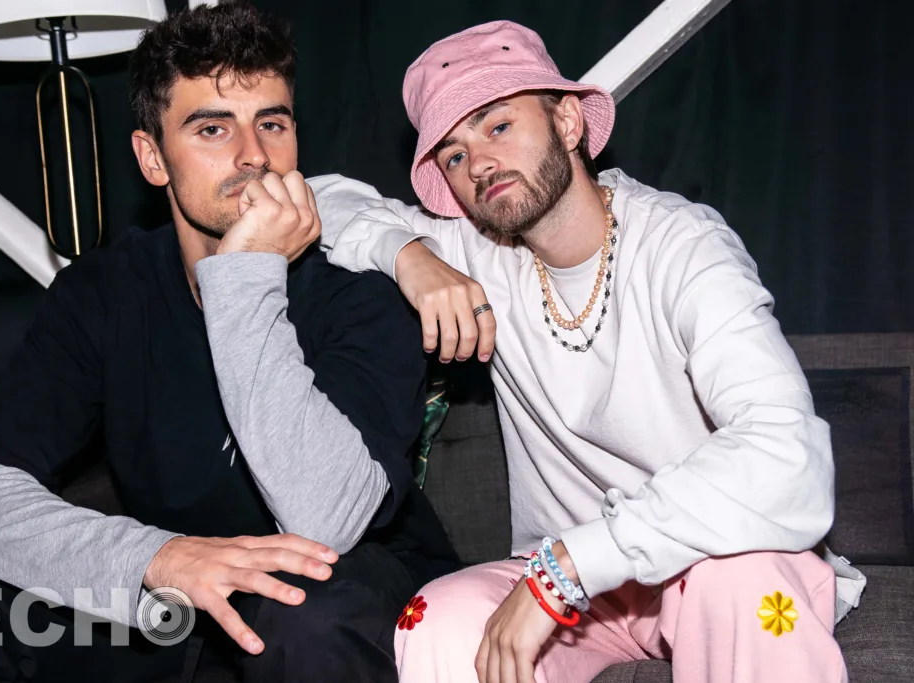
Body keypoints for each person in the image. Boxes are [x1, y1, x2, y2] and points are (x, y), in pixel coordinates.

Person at [0, 3, 457, 682]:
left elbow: (325, 520)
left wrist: (245, 276)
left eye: (272, 123)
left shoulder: (360, 290)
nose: (254, 155)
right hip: (173, 603)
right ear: (152, 158)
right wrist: (157, 559)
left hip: (343, 589)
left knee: (300, 613)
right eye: (212, 128)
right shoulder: (105, 292)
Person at [310, 19, 858, 683]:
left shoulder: (682, 246)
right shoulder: (475, 255)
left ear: (568, 123)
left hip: (707, 563)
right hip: (582, 594)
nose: (478, 162)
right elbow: (314, 198)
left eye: (497, 124)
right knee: (442, 616)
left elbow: (787, 456)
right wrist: (408, 255)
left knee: (740, 581)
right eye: (452, 154)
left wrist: (569, 566)